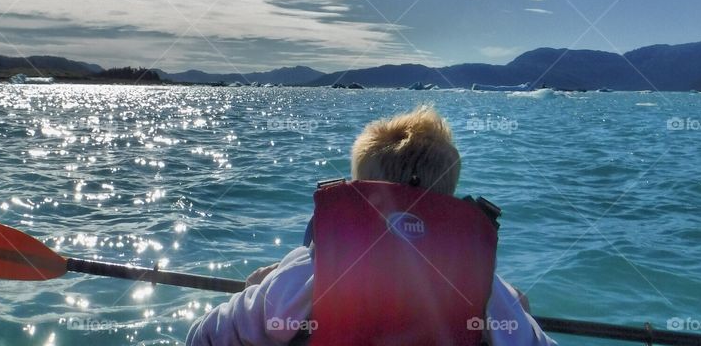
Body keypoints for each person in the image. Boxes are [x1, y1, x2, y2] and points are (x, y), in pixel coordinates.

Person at [186, 106, 558, 346]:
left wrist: (256, 291)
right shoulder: (485, 290)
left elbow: (201, 338)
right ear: (448, 201)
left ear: (356, 195)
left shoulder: (305, 274)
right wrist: (517, 311)